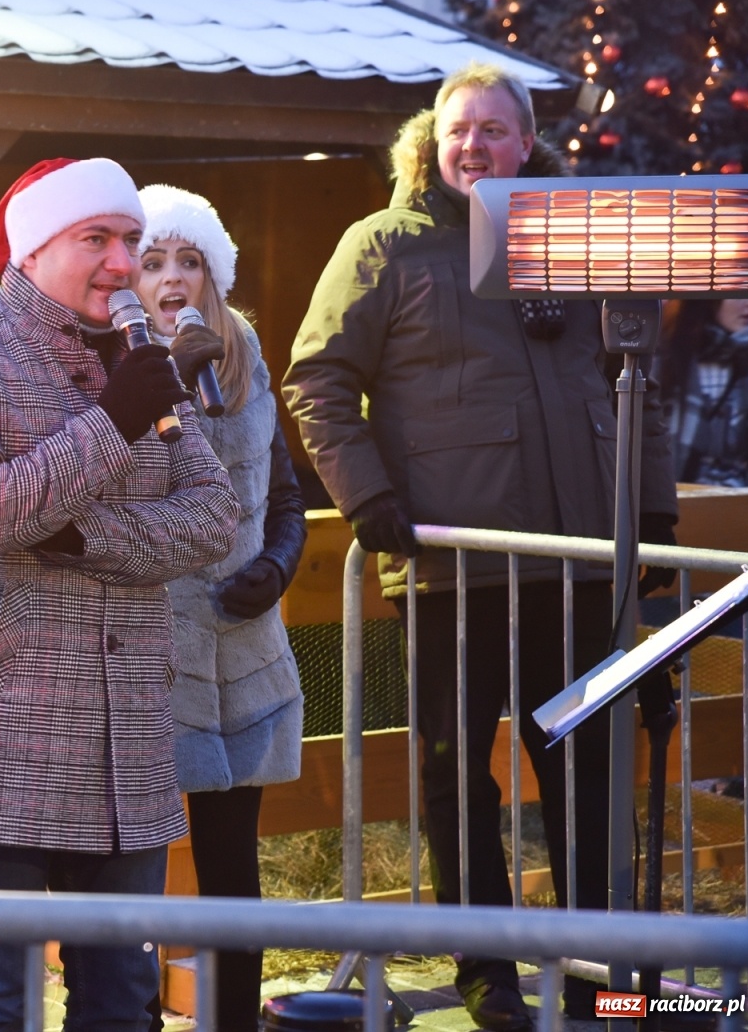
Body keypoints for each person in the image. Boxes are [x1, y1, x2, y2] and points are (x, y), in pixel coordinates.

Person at [284, 63, 678, 1031]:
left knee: (587, 777)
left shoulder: (575, 241)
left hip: (585, 566)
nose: (474, 147)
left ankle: (602, 975)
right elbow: (318, 378)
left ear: (525, 143)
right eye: (458, 130)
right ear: (430, 141)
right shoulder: (382, 247)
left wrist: (653, 517)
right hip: (455, 570)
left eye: (494, 132)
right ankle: (485, 968)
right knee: (455, 773)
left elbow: (634, 380)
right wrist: (367, 496)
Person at [0, 157, 239, 1032]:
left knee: (125, 1006)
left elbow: (213, 519)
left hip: (126, 745)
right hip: (0, 735)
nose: (124, 263)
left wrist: (89, 537)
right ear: (34, 248)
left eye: (129, 240)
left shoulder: (142, 358)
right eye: (98, 239)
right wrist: (112, 421)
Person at [133, 184, 305, 1032]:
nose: (173, 278)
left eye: (189, 261)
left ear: (213, 275)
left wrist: (277, 566)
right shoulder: (109, 363)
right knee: (130, 870)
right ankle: (129, 1016)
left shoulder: (245, 356)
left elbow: (285, 497)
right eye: (153, 260)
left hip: (241, 652)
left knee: (234, 864)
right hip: (143, 649)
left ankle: (235, 1021)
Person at [655, 297, 748, 487]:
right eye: (739, 293)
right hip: (671, 495)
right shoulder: (662, 357)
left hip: (738, 499)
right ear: (706, 300)